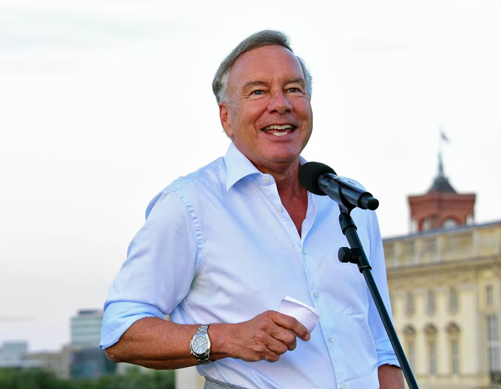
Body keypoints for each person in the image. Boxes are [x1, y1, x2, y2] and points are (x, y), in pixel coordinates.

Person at [100, 30, 403, 389]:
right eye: (258, 91)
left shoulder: (349, 203)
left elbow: (380, 341)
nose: (281, 104)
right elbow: (120, 330)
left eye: (293, 89)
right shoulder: (190, 205)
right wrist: (227, 338)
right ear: (226, 117)